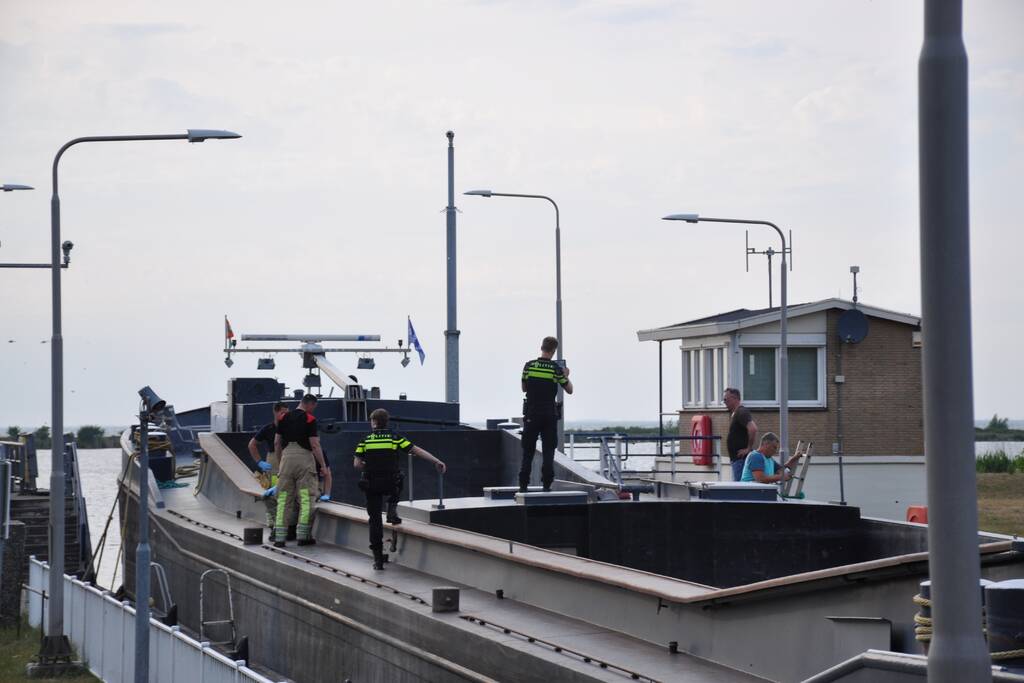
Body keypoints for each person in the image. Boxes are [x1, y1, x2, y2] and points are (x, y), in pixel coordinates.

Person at [354, 408, 446, 570]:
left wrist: (369, 465)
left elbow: (357, 464)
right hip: (390, 483)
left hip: (372, 485)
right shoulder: (395, 438)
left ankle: (378, 560)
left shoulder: (365, 441)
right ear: (386, 422)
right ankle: (391, 509)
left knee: (374, 520)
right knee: (399, 477)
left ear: (373, 422)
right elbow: (416, 450)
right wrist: (436, 461)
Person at [520, 336, 574, 492]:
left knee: (528, 451)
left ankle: (523, 485)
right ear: (554, 351)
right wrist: (565, 375)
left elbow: (524, 388)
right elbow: (569, 390)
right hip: (549, 414)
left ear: (542, 347)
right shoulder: (555, 369)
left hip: (531, 413)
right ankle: (546, 485)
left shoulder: (529, 366)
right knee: (548, 451)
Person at [272, 394, 327, 547]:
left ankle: (279, 538)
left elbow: (277, 443)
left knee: (283, 498)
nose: (313, 410)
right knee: (305, 498)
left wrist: (280, 462)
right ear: (310, 405)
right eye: (313, 407)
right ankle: (303, 536)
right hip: (304, 461)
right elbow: (314, 445)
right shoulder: (310, 419)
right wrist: (322, 465)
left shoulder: (283, 418)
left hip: (286, 459)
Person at [249, 402, 289, 527]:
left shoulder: (291, 428)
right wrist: (259, 462)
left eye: (287, 413)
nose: (285, 415)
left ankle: (283, 521)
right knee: (271, 495)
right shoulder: (268, 429)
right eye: (282, 412)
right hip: (273, 463)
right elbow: (252, 445)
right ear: (275, 412)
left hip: (288, 458)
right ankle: (272, 520)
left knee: (285, 493)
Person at [723, 388, 757, 482]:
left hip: (741, 460)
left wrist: (748, 448)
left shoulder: (741, 412)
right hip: (737, 460)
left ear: (735, 398)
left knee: (739, 489)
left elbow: (753, 429)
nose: (724, 402)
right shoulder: (735, 414)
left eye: (726, 399)